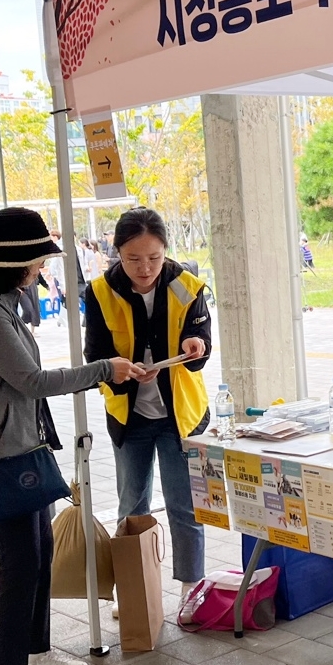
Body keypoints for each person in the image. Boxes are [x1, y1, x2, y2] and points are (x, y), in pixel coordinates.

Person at [0, 207, 143, 665]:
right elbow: (30, 381)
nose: (42, 269)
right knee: (18, 566)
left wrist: (24, 287)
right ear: (15, 262)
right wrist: (105, 369)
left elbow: (26, 346)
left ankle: (33, 654)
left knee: (38, 559)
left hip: (19, 450)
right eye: (36, 260)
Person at [83, 208, 213, 603]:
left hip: (179, 417)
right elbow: (97, 356)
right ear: (116, 251)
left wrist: (196, 345)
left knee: (184, 506)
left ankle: (192, 588)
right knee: (132, 506)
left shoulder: (185, 286)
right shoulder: (101, 292)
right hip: (130, 414)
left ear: (165, 250)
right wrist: (120, 371)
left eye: (154, 257)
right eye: (133, 258)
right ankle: (135, 593)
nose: (145, 268)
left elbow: (200, 343)